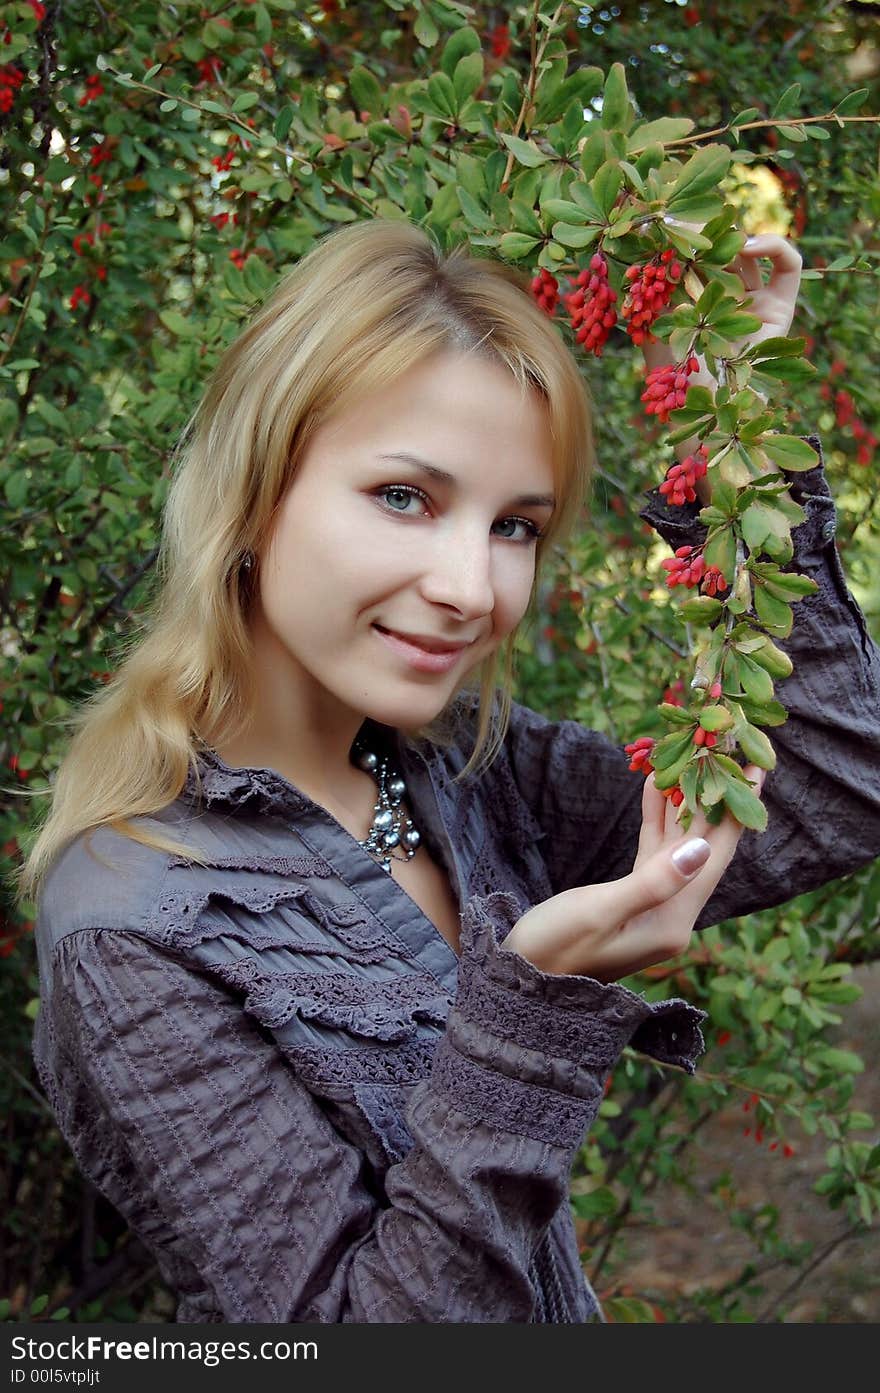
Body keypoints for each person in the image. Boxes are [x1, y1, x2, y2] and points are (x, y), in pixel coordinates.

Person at [20, 219, 880, 1323]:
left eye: (514, 525)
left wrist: (737, 443)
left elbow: (832, 783)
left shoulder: (470, 770)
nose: (472, 588)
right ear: (253, 496)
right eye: (404, 498)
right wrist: (528, 1020)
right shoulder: (134, 927)